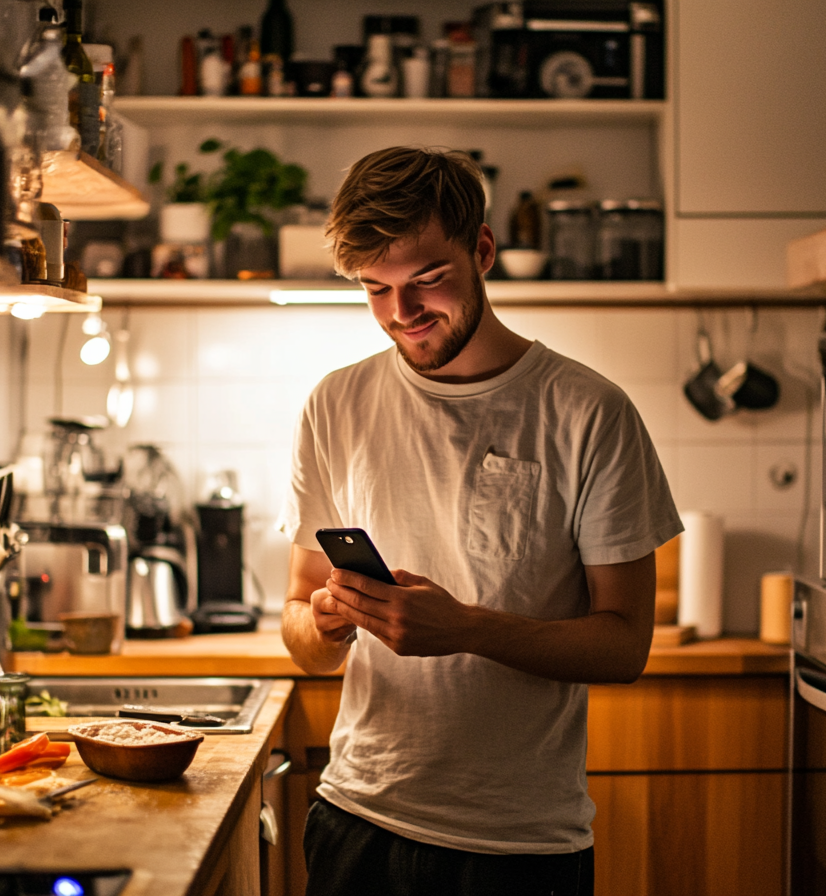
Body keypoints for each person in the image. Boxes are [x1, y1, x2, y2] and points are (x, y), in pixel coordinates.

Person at [279, 146, 682, 896]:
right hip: (357, 818)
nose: (403, 314)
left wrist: (464, 629)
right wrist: (327, 620)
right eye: (376, 289)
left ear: (483, 251)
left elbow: (626, 645)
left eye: (427, 280)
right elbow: (300, 625)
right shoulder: (335, 404)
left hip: (519, 846)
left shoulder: (589, 412)